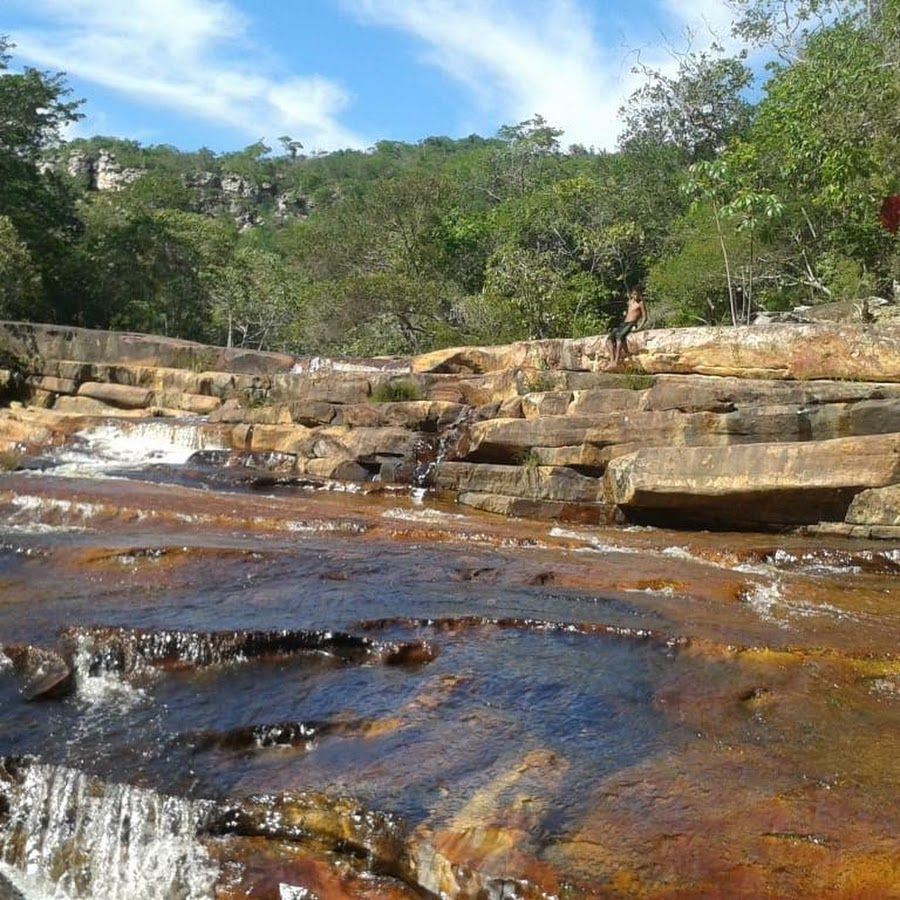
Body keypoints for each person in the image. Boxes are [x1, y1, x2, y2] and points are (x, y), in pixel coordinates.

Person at [606, 287, 648, 367]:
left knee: (619, 337)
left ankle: (616, 361)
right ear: (632, 295)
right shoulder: (630, 301)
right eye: (635, 294)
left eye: (638, 294)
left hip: (631, 324)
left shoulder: (641, 303)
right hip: (624, 323)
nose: (636, 296)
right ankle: (612, 360)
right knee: (609, 340)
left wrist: (639, 328)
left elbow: (645, 317)